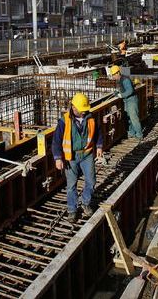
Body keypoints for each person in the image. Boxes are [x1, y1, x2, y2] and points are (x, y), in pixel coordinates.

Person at [52, 93, 104, 222]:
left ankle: (85, 203)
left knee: (91, 181)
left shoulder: (91, 119)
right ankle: (72, 210)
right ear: (73, 107)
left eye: (83, 110)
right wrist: (58, 158)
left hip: (86, 154)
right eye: (79, 109)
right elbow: (56, 141)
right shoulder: (64, 121)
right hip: (71, 157)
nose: (81, 112)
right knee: (71, 185)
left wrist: (99, 146)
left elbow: (98, 133)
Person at [109, 65, 143, 140]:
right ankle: (132, 132)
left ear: (118, 73)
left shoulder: (125, 80)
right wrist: (117, 92)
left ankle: (139, 134)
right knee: (128, 118)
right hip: (126, 100)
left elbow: (130, 91)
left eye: (113, 75)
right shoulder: (120, 80)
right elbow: (123, 88)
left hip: (131, 100)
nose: (113, 77)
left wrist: (121, 95)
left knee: (134, 118)